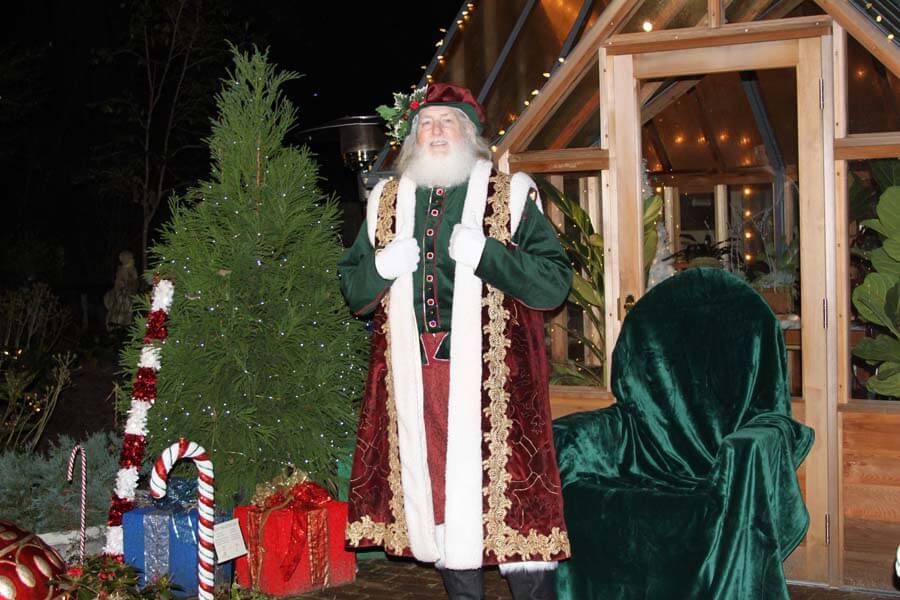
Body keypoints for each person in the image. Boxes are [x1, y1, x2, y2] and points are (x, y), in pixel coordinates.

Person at [339, 83, 572, 600]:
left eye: (448, 122)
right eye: (426, 123)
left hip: (499, 386)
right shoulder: (387, 202)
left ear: (471, 134)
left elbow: (554, 283)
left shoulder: (509, 195)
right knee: (441, 505)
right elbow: (353, 289)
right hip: (417, 384)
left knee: (514, 509)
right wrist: (382, 266)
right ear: (412, 139)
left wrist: (489, 255)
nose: (436, 131)